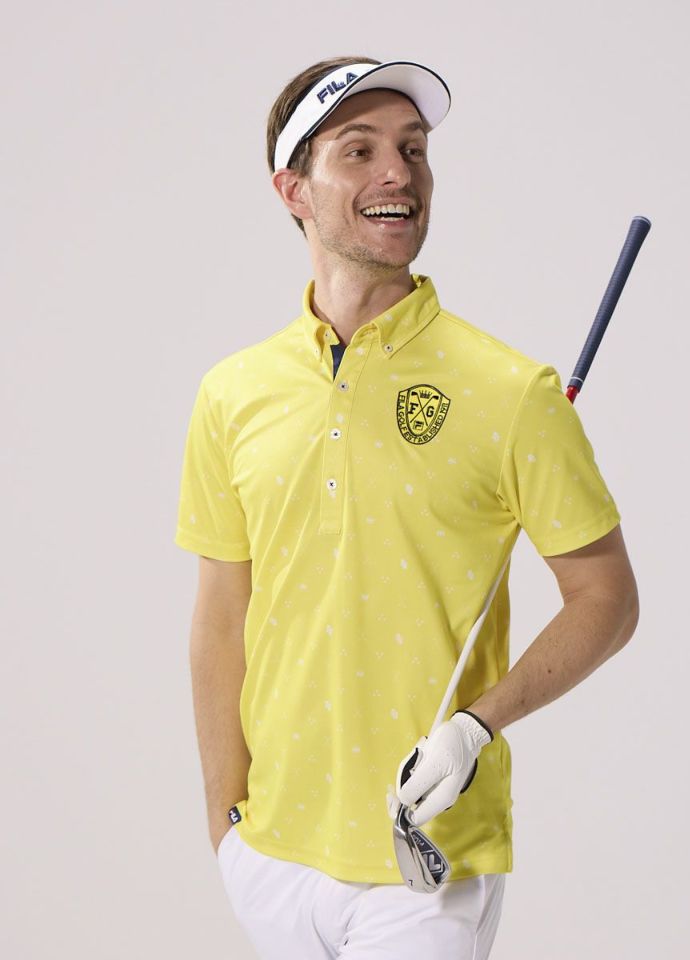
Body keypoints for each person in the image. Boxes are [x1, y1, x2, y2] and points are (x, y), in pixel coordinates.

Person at [174, 56, 639, 960]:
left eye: (414, 150)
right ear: (293, 190)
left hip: (425, 858)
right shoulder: (233, 393)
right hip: (271, 853)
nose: (398, 173)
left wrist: (477, 725)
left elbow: (607, 599)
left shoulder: (512, 391)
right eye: (360, 150)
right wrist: (225, 823)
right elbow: (222, 616)